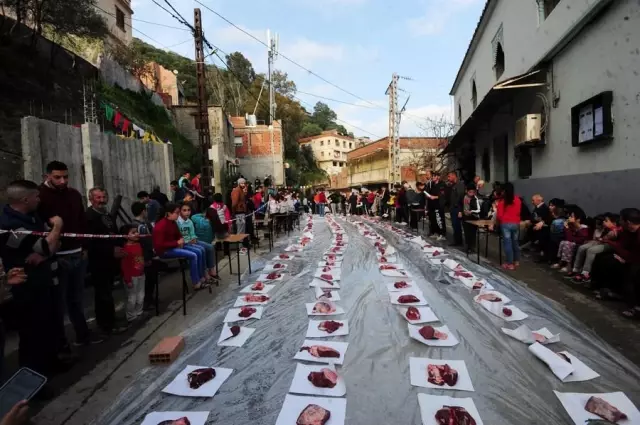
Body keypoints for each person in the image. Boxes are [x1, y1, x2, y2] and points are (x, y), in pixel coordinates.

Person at [0, 180, 63, 378]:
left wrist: (45, 251)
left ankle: (51, 364)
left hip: (43, 280)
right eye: (36, 196)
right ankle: (32, 380)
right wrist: (58, 226)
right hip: (25, 287)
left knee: (48, 327)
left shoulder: (32, 216)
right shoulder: (9, 225)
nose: (39, 199)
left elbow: (54, 246)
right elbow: (47, 244)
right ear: (25, 199)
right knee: (31, 335)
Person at [38, 161, 99, 347]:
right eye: (57, 177)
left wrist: (85, 248)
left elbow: (82, 223)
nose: (62, 181)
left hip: (78, 254)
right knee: (57, 304)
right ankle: (60, 344)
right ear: (47, 176)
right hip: (57, 257)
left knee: (77, 299)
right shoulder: (40, 196)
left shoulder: (73, 195)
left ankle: (83, 336)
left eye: (65, 176)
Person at [86, 187, 128, 336]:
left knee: (109, 292)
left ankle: (110, 321)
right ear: (91, 199)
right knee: (102, 294)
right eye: (98, 198)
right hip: (99, 262)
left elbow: (113, 234)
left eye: (104, 197)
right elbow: (91, 242)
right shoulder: (89, 216)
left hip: (111, 261)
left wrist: (119, 246)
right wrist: (110, 251)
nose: (102, 200)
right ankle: (106, 325)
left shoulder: (107, 215)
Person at [154, 203, 206, 289]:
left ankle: (201, 277)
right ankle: (196, 282)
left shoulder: (173, 222)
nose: (178, 215)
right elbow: (159, 245)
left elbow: (178, 235)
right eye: (177, 213)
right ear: (169, 213)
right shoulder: (161, 225)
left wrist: (180, 240)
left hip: (175, 246)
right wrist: (177, 243)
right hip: (165, 251)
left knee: (199, 251)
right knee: (193, 255)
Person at [570, 213, 621, 284]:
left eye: (606, 221)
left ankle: (585, 273)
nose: (604, 222)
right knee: (582, 247)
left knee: (591, 250)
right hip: (601, 242)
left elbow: (608, 238)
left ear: (614, 223)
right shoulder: (605, 229)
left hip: (610, 245)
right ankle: (576, 269)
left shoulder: (615, 230)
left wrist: (609, 231)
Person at [177, 203, 218, 283]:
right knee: (201, 250)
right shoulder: (177, 222)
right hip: (184, 243)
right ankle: (204, 273)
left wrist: (193, 238)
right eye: (184, 210)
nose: (187, 212)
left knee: (210, 247)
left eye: (188, 210)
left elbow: (192, 233)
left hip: (192, 241)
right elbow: (178, 237)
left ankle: (211, 269)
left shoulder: (190, 221)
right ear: (180, 211)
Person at [131, 202, 158, 311]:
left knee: (150, 279)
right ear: (143, 211)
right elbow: (144, 242)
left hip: (148, 254)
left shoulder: (143, 223)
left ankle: (149, 299)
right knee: (147, 280)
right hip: (144, 256)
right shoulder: (138, 225)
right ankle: (146, 301)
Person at [491, 182, 522, 270]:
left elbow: (499, 216)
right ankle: (516, 261)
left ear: (504, 191)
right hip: (516, 224)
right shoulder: (518, 200)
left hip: (505, 224)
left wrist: (496, 224)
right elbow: (519, 212)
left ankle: (510, 263)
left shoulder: (502, 202)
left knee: (508, 243)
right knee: (515, 242)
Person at [119, 224, 145, 323]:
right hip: (132, 277)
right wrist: (128, 279)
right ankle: (131, 316)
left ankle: (139, 312)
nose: (137, 234)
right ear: (126, 236)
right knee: (131, 298)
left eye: (136, 231)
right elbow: (124, 266)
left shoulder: (138, 245)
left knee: (141, 295)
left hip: (141, 274)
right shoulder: (125, 249)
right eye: (133, 232)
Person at [552, 206, 589, 272]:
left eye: (571, 216)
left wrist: (567, 227)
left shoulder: (584, 228)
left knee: (567, 243)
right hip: (572, 241)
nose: (569, 218)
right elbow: (568, 237)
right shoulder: (571, 225)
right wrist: (567, 227)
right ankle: (561, 262)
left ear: (578, 219)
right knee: (563, 242)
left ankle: (568, 265)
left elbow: (574, 239)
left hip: (580, 243)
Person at [446, 172, 465, 246]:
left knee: (457, 225)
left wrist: (460, 210)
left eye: (449, 176)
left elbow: (460, 197)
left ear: (454, 176)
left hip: (457, 208)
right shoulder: (452, 185)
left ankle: (458, 241)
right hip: (452, 208)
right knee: (454, 225)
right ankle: (457, 240)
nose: (448, 178)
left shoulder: (460, 184)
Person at [462, 183, 481, 250]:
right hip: (465, 217)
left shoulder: (475, 199)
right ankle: (468, 246)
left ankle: (472, 247)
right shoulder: (464, 197)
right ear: (467, 191)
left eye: (473, 192)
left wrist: (471, 211)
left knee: (472, 233)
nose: (471, 194)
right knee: (466, 232)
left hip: (473, 218)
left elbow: (479, 210)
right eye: (470, 192)